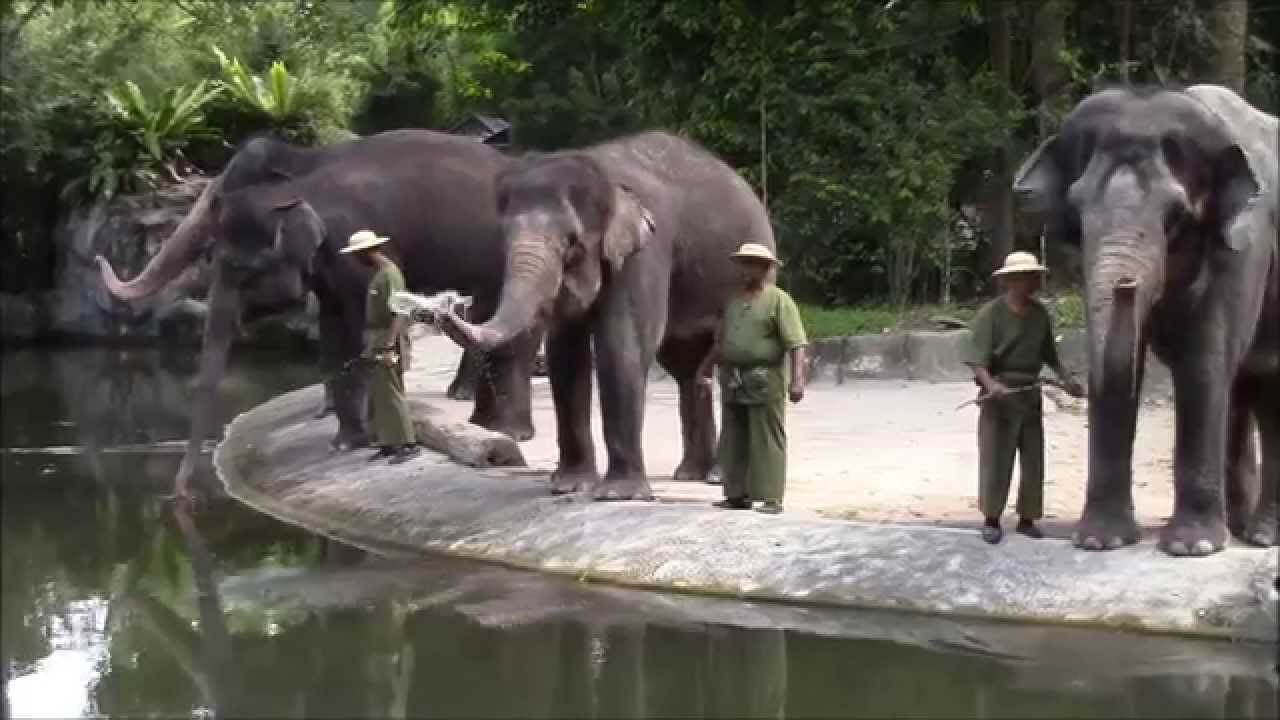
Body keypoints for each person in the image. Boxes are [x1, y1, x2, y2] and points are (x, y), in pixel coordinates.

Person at [963, 251, 1084, 544]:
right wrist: (991, 385)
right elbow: (977, 361)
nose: (1034, 282)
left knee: (1033, 458)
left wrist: (1067, 380)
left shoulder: (1039, 315)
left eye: (1035, 276)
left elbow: (1049, 355)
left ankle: (1027, 518)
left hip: (1029, 393)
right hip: (1000, 396)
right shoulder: (990, 315)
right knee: (996, 458)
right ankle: (992, 518)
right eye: (1028, 277)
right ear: (1011, 281)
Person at [697, 242, 808, 514]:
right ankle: (736, 494)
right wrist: (704, 369)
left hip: (764, 379)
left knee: (767, 437)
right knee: (733, 438)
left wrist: (797, 380)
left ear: (766, 268)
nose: (747, 269)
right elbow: (722, 342)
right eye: (744, 263)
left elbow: (797, 344)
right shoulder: (733, 302)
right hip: (733, 379)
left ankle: (771, 498)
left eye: (754, 263)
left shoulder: (779, 301)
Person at [340, 229, 421, 464]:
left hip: (387, 337)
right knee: (379, 392)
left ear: (366, 252)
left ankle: (408, 444)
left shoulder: (390, 275)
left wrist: (389, 345)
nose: (354, 259)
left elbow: (399, 311)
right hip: (375, 337)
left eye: (356, 254)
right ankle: (387, 442)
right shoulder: (378, 274)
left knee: (392, 391)